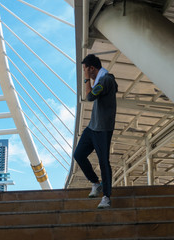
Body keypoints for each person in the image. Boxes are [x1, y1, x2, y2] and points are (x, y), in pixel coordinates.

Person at [73, 54, 118, 209]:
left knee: (103, 161)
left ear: (92, 68)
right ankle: (96, 183)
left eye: (85, 69)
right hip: (92, 127)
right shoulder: (101, 79)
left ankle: (106, 196)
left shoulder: (106, 80)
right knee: (78, 154)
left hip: (103, 129)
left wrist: (86, 79)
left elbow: (90, 96)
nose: (85, 73)